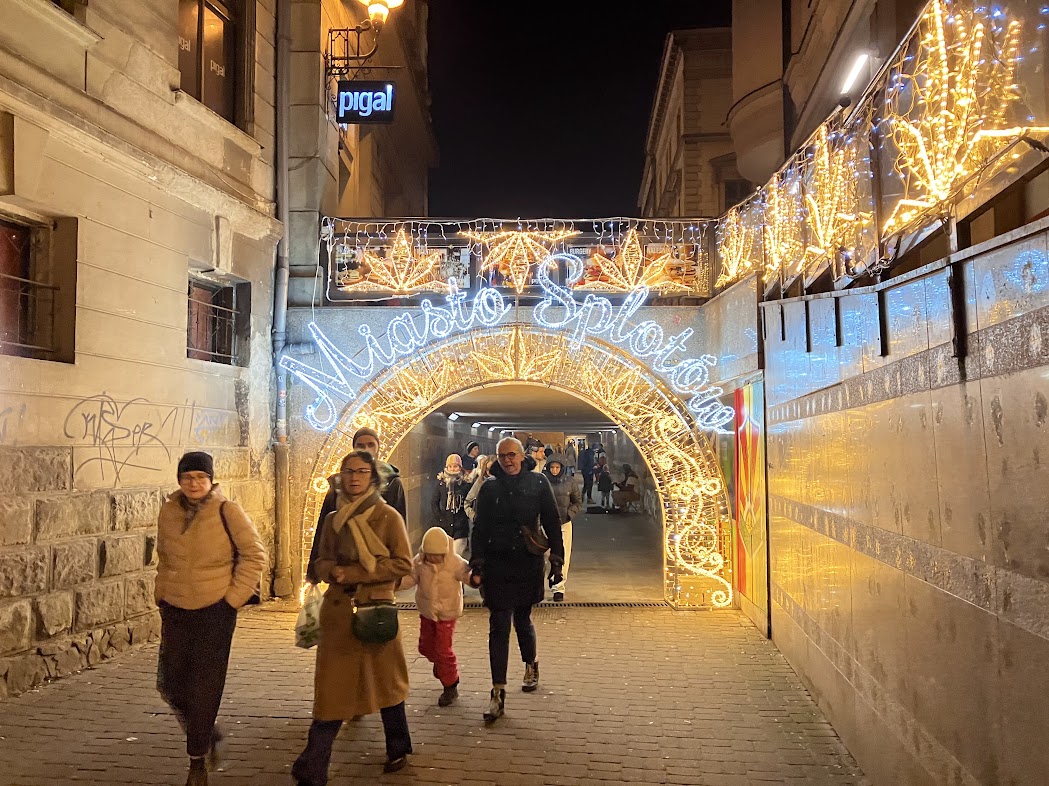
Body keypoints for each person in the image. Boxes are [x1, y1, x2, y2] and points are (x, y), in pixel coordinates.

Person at [293, 450, 414, 784]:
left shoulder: (388, 517)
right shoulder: (334, 518)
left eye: (361, 471)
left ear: (373, 477)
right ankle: (314, 766)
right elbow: (321, 561)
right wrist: (331, 571)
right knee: (331, 691)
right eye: (348, 471)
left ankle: (398, 745)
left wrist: (357, 573)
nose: (354, 477)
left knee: (386, 683)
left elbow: (403, 564)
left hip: (375, 610)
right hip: (339, 613)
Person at [156, 451, 267, 786]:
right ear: (179, 479)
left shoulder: (226, 510)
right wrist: (161, 593)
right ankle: (207, 733)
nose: (194, 483)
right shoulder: (169, 511)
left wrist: (232, 599)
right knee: (171, 683)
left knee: (204, 685)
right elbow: (163, 556)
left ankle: (197, 761)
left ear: (210, 480)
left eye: (200, 477)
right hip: (176, 607)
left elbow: (254, 554)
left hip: (214, 609)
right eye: (187, 477)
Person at [469, 437, 564, 724]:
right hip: (497, 564)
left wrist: (556, 559)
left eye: (511, 455)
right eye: (502, 456)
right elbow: (480, 527)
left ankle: (531, 664)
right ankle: (497, 691)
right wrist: (477, 562)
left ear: (522, 456)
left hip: (526, 561)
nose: (507, 460)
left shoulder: (537, 483)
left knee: (522, 619)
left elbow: (551, 521)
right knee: (498, 625)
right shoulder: (490, 487)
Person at [306, 427, 406, 584]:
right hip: (342, 574)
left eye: (370, 445)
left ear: (378, 448)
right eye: (360, 445)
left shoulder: (392, 483)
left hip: (378, 574)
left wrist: (395, 577)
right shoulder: (339, 486)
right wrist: (315, 570)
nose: (366, 449)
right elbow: (323, 528)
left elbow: (399, 529)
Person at [398, 527, 473, 707]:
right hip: (427, 612)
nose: (433, 559)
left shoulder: (454, 562)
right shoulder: (419, 562)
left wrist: (475, 578)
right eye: (430, 555)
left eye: (437, 556)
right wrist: (395, 583)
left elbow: (467, 575)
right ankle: (440, 664)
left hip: (447, 613)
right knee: (425, 647)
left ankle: (450, 684)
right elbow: (410, 578)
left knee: (443, 650)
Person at [542, 455, 581, 602]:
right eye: (552, 467)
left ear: (562, 468)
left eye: (557, 467)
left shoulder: (570, 482)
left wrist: (569, 514)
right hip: (545, 524)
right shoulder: (542, 482)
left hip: (564, 524)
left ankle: (558, 587)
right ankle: (544, 583)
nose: (554, 470)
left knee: (563, 556)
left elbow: (577, 501)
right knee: (544, 555)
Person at [432, 453, 471, 556]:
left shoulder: (466, 484)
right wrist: (440, 518)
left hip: (461, 527)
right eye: (450, 466)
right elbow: (434, 502)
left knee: (455, 556)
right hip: (445, 526)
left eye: (455, 466)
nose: (452, 469)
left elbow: (470, 502)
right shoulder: (442, 483)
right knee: (446, 557)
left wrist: (466, 517)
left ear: (460, 467)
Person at [465, 455, 496, 525]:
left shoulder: (505, 482)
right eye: (487, 469)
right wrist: (474, 517)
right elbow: (467, 502)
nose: (490, 472)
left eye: (493, 469)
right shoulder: (480, 482)